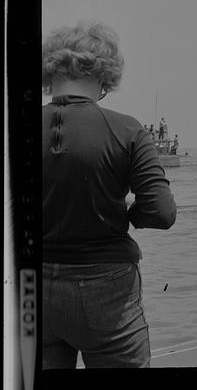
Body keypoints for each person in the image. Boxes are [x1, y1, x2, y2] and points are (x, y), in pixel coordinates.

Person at [41, 21, 177, 368]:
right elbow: (162, 214)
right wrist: (128, 213)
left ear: (49, 70)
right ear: (106, 77)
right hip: (107, 287)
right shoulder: (128, 130)